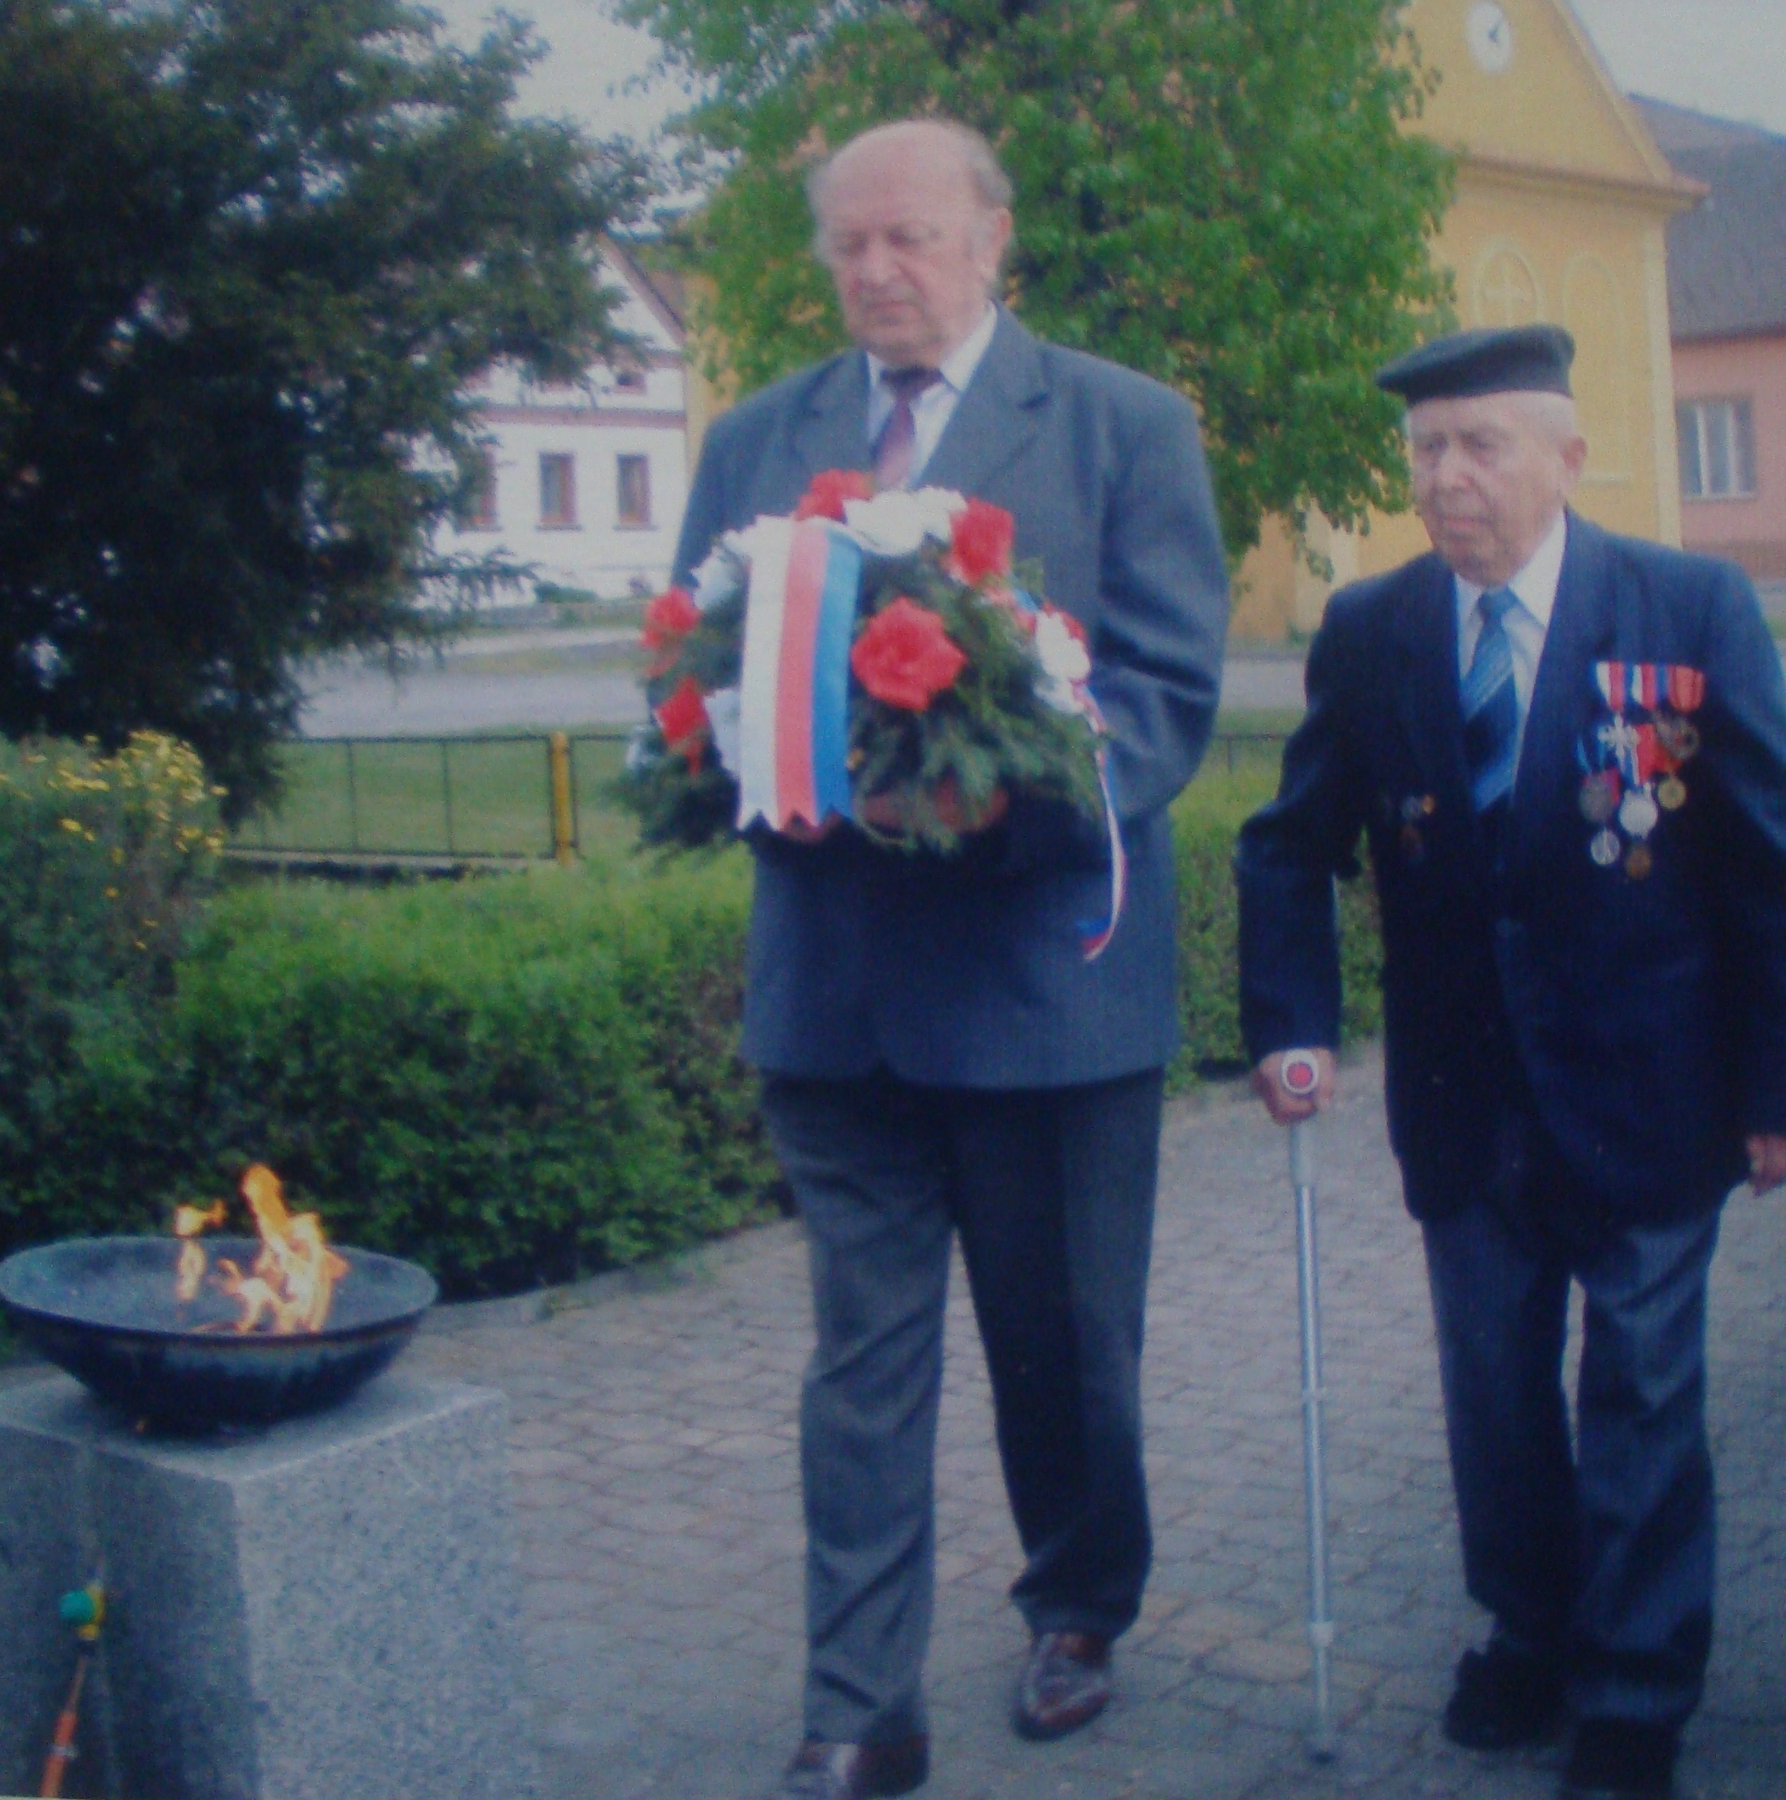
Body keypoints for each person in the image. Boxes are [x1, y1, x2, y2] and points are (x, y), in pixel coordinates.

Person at [669, 118, 1231, 1800]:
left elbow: (1163, 697)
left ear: (992, 238)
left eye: (907, 236)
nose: (875, 270)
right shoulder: (759, 438)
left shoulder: (1124, 425)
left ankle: (1079, 1602)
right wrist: (716, 758)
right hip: (834, 994)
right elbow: (698, 670)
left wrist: (992, 799)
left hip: (1044, 988)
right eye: (847, 244)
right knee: (861, 1367)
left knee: (1063, 1353)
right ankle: (861, 1707)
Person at [1234, 326, 1786, 1800]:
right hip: (1465, 1103)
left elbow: (1775, 866)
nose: (1448, 477)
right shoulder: (1374, 627)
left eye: (1481, 444)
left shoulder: (1686, 606)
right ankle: (1530, 1628)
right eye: (1427, 449)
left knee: (1640, 1395)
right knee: (1495, 1394)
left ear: (1568, 456)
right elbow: (1288, 844)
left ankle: (1635, 1689)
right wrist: (1293, 1020)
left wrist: (1781, 1090)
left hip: (1652, 1090)